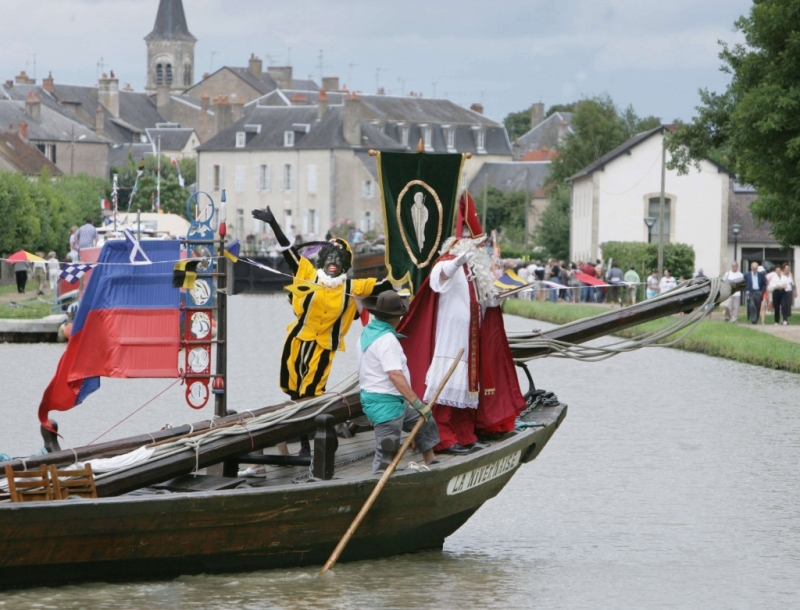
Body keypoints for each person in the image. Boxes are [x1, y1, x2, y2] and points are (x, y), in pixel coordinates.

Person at [252, 206, 392, 455]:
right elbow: (289, 254)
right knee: (295, 392)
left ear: (345, 264)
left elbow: (384, 285)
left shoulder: (352, 286)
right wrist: (273, 224)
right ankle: (304, 443)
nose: (333, 263)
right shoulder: (307, 274)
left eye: (338, 260)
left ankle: (312, 443)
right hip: (296, 340)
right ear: (323, 259)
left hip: (324, 347)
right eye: (329, 258)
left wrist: (405, 271)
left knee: (312, 394)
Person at [398, 193, 524, 454]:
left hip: (472, 338)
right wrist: (456, 262)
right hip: (452, 336)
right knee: (449, 385)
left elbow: (484, 304)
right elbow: (436, 279)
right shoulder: (450, 262)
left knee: (467, 389)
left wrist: (498, 298)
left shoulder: (475, 270)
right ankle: (444, 437)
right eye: (474, 243)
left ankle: (464, 434)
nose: (478, 249)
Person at [358, 290, 439, 473]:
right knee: (387, 450)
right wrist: (417, 402)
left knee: (423, 420)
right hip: (384, 403)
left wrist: (419, 409)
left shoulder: (369, 331)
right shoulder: (386, 340)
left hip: (391, 400)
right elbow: (395, 375)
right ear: (396, 318)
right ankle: (376, 483)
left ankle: (431, 461)